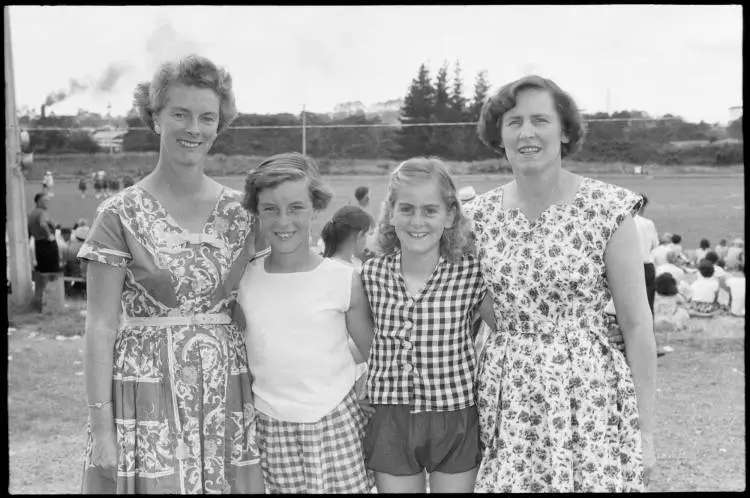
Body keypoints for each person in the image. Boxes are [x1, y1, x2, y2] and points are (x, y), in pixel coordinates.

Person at [78, 54, 264, 494]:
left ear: (220, 124)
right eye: (179, 113)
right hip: (146, 393)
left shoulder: (244, 213)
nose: (193, 128)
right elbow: (100, 327)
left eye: (206, 117)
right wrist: (102, 427)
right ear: (156, 118)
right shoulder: (119, 214)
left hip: (228, 391)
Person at [469, 74, 656, 492]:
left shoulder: (608, 209)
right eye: (513, 122)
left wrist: (646, 432)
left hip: (588, 396)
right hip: (506, 398)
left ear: (565, 130)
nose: (527, 132)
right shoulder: (475, 218)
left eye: (540, 120)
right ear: (498, 135)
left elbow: (638, 326)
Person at [237, 152, 375, 493]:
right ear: (256, 212)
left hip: (336, 423)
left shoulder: (343, 279)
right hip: (271, 426)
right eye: (270, 209)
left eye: (296, 207)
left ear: (315, 207)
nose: (284, 221)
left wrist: (368, 382)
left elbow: (375, 350)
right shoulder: (244, 278)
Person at [361, 157, 494, 493]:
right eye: (406, 209)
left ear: (450, 215)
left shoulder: (471, 272)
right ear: (391, 212)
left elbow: (513, 325)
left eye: (429, 210)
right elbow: (357, 337)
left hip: (455, 411)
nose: (416, 221)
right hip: (391, 413)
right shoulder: (371, 274)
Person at [633, 192, 659, 315]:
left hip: (628, 266)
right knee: (648, 301)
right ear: (643, 207)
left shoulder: (621, 222)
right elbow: (655, 244)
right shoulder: (647, 223)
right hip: (645, 265)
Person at [27, 192, 60, 273]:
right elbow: (43, 224)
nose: (47, 203)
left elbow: (29, 229)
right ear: (38, 202)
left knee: (42, 269)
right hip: (47, 245)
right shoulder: (42, 212)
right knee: (52, 270)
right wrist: (50, 235)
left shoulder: (32, 214)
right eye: (45, 201)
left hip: (38, 244)